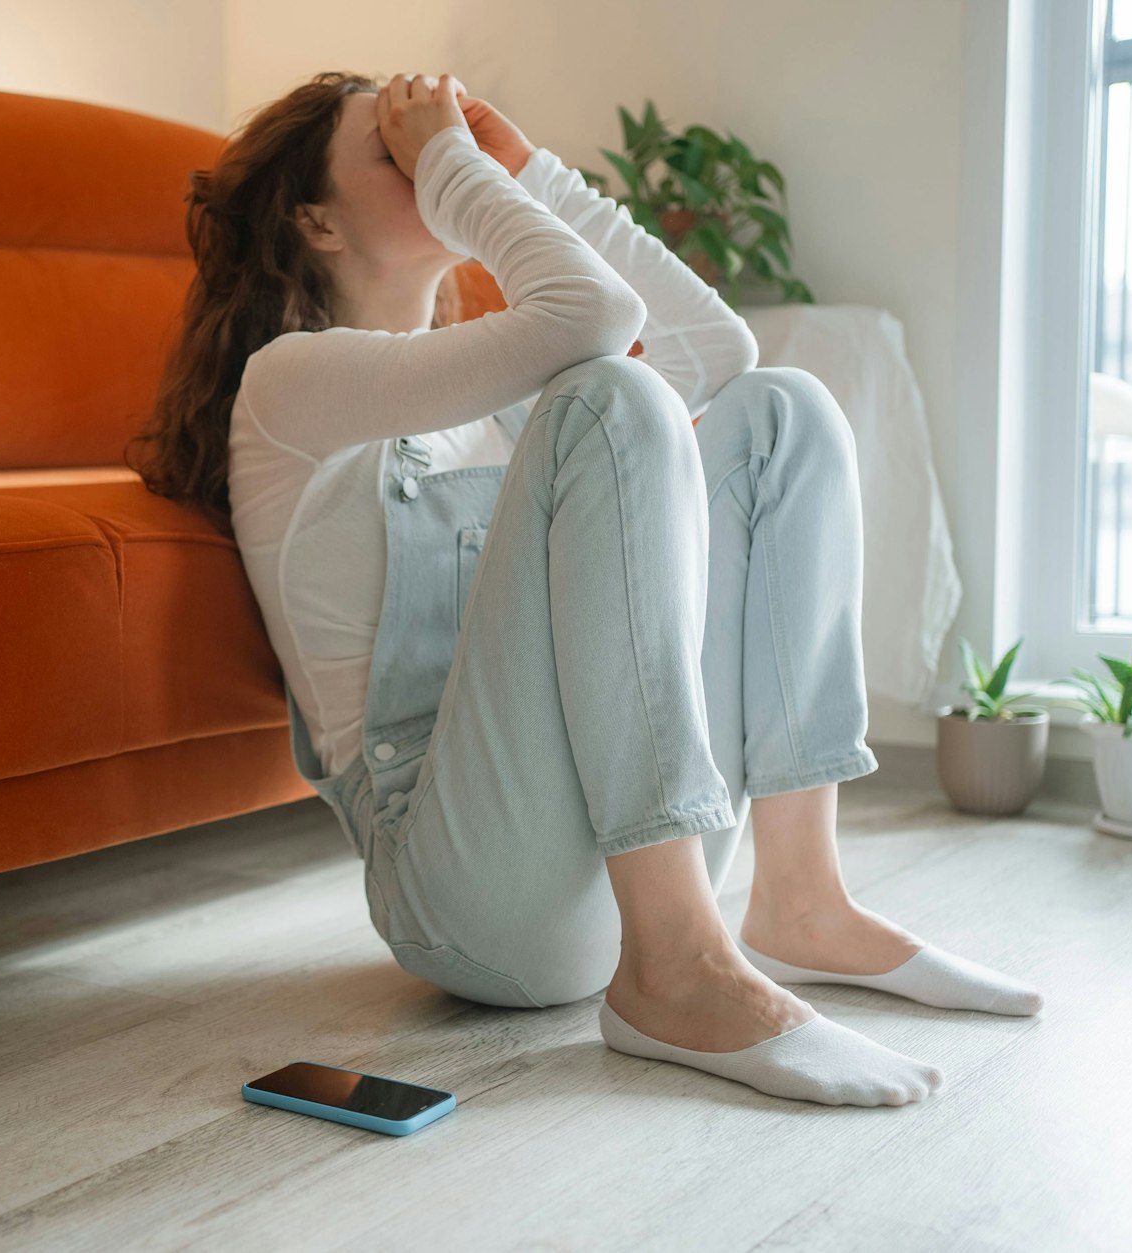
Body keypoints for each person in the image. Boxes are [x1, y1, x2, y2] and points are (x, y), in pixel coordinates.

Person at [129, 70, 1042, 1108]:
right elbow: (593, 317)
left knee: (780, 406)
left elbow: (716, 351)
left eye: (431, 139)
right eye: (394, 149)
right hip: (469, 897)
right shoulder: (291, 382)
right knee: (610, 393)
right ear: (315, 224)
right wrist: (458, 167)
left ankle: (799, 900)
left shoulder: (497, 394)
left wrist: (524, 168)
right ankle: (674, 968)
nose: (433, 152)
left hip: (613, 862)